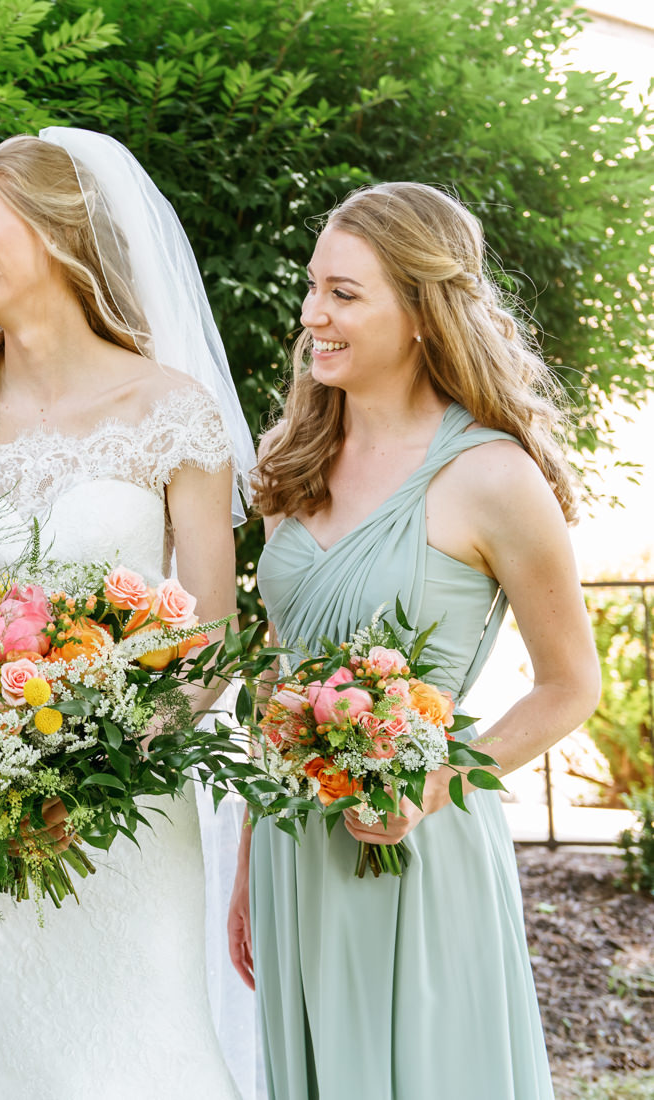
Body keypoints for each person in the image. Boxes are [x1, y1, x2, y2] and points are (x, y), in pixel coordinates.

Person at [0, 128, 258, 1097]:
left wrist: (90, 768)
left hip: (128, 817)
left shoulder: (172, 409)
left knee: (139, 1055)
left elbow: (209, 643)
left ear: (54, 229)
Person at [227, 181, 602, 1099]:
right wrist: (245, 862)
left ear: (422, 314)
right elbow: (279, 675)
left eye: (344, 294)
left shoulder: (492, 476)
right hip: (290, 842)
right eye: (313, 287)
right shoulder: (293, 458)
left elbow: (568, 685)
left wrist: (435, 782)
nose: (313, 313)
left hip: (417, 840)